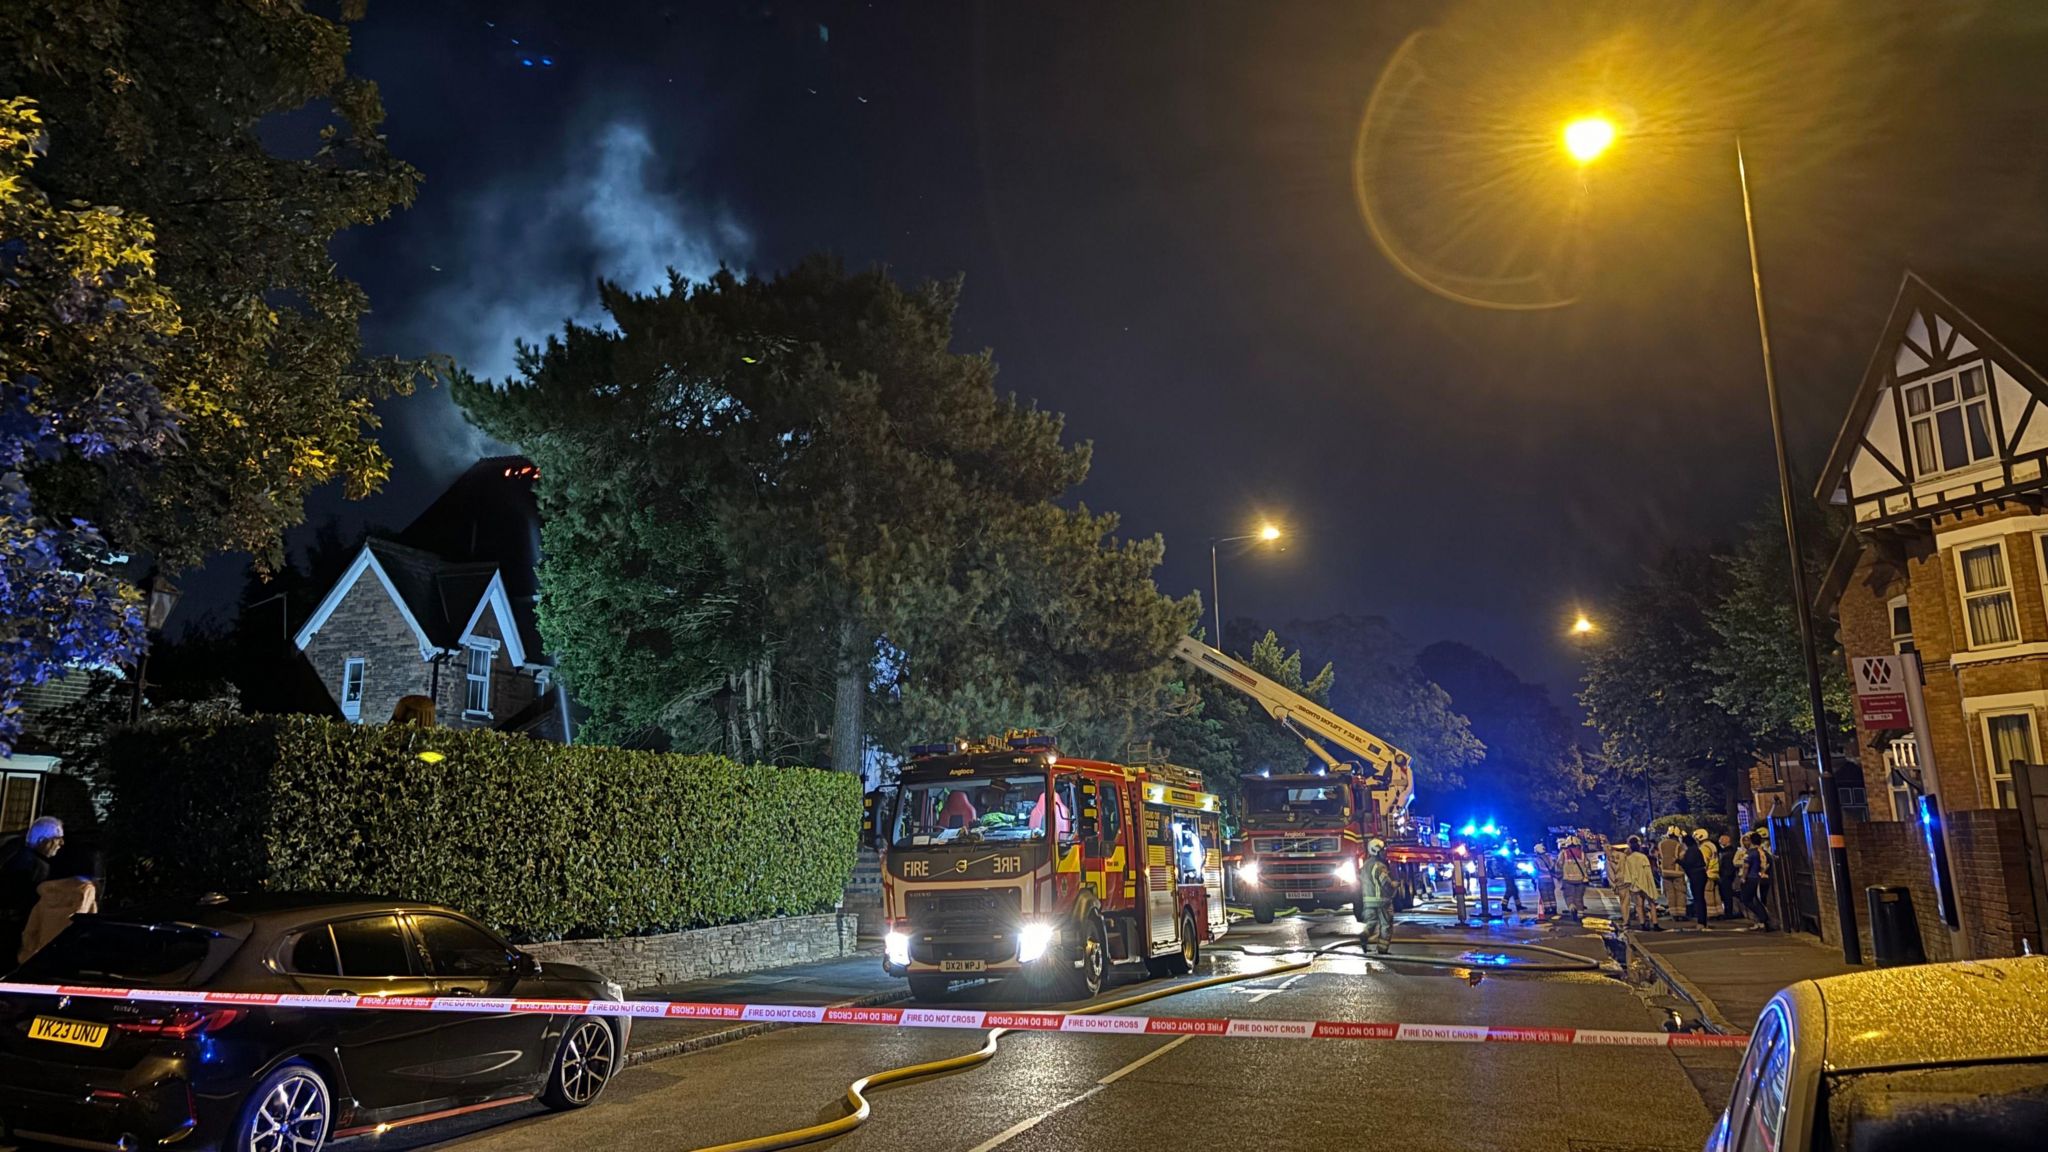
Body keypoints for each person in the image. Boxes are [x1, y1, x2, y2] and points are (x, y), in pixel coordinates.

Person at [2, 817, 65, 966]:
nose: (61, 844)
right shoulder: (38, 867)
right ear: (43, 840)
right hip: (16, 930)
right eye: (58, 839)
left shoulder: (15, 855)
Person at [1359, 838, 1397, 954]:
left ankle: (1365, 935)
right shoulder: (1380, 866)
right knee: (1386, 925)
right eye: (1382, 851)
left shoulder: (1365, 865)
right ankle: (1382, 950)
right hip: (1382, 901)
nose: (1384, 853)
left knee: (1371, 922)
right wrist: (1394, 885)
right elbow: (1386, 883)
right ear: (1376, 851)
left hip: (1368, 901)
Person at [1621, 835, 1662, 929]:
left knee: (1639, 905)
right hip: (1645, 882)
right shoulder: (1643, 857)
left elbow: (1627, 873)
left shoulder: (1629, 858)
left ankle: (1642, 924)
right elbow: (1648, 872)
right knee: (1651, 903)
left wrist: (1629, 884)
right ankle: (1655, 923)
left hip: (1635, 884)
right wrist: (1652, 885)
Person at [1737, 832, 1774, 931]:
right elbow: (1770, 863)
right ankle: (1762, 920)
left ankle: (1763, 917)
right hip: (1763, 877)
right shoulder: (1764, 853)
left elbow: (1746, 866)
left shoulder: (1750, 853)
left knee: (1746, 899)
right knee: (1758, 899)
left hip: (1752, 878)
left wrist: (1743, 877)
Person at [1681, 829, 1711, 928]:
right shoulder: (1696, 849)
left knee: (1698, 899)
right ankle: (1702, 921)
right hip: (1701, 875)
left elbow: (1688, 864)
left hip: (1696, 876)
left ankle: (1701, 922)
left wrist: (1678, 861)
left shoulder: (1691, 851)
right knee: (1700, 898)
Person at [1558, 836, 1591, 918]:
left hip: (1567, 880)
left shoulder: (1564, 853)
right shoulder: (1582, 854)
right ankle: (1580, 914)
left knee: (1569, 897)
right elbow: (1588, 866)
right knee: (1579, 897)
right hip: (1580, 880)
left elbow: (1559, 865)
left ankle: (1572, 908)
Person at [1656, 826, 1686, 918]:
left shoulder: (1661, 844)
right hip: (1677, 872)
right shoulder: (1679, 845)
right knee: (1680, 892)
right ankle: (1680, 913)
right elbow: (1682, 857)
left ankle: (1673, 913)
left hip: (1665, 872)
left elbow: (1659, 858)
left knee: (1670, 893)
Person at [1714, 834, 1740, 920]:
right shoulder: (1724, 851)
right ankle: (1728, 911)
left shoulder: (1729, 852)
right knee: (1726, 894)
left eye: (1722, 839)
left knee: (1727, 894)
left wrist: (1725, 874)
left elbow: (1728, 865)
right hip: (1725, 875)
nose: (1720, 840)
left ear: (1727, 840)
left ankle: (1729, 912)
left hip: (1726, 875)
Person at [1531, 842, 1558, 920]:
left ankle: (1547, 909)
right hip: (1550, 879)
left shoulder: (1536, 860)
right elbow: (1553, 866)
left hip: (1542, 880)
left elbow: (1535, 871)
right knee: (1551, 895)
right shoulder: (1549, 857)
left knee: (1545, 896)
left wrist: (1533, 879)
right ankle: (1554, 909)